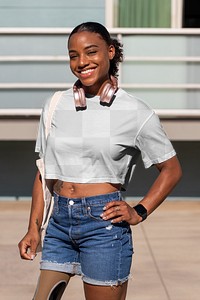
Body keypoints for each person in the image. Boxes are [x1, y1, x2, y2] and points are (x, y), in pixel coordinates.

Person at [18, 22, 182, 300]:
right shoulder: (55, 104)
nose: (81, 62)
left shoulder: (136, 111)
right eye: (73, 55)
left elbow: (171, 169)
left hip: (104, 227)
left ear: (110, 51)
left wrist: (140, 211)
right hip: (59, 224)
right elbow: (44, 172)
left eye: (90, 52)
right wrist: (33, 229)